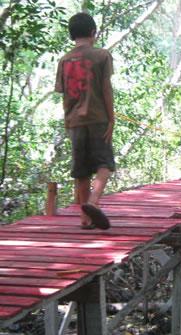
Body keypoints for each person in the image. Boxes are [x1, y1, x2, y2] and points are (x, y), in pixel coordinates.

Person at [55, 12, 115, 230]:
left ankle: (85, 218)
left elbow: (65, 95)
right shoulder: (101, 56)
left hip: (74, 121)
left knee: (81, 170)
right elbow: (106, 89)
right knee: (105, 164)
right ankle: (92, 202)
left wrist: (67, 121)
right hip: (98, 117)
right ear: (93, 32)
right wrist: (112, 118)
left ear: (71, 35)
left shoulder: (64, 60)